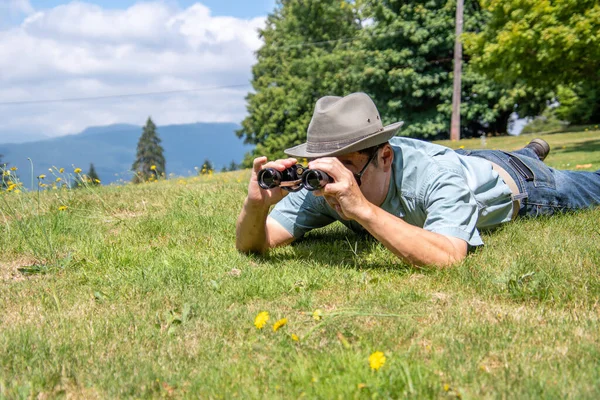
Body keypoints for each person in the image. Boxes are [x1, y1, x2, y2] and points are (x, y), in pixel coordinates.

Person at [236, 92, 600, 267]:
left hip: (521, 183)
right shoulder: (325, 184)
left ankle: (528, 157)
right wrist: (256, 207)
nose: (336, 182)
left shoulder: (434, 175)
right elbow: (257, 245)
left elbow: (448, 257)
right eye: (324, 168)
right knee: (492, 158)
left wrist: (362, 210)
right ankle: (530, 148)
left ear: (385, 157)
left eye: (347, 167)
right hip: (466, 161)